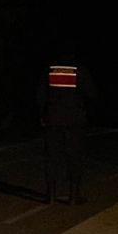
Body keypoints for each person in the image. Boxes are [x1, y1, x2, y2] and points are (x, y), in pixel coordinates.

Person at [39, 55, 95, 204]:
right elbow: (90, 93)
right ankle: (73, 196)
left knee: (52, 157)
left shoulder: (50, 70)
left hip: (52, 119)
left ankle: (50, 195)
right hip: (74, 120)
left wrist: (42, 114)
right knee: (74, 157)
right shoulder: (79, 70)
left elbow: (41, 94)